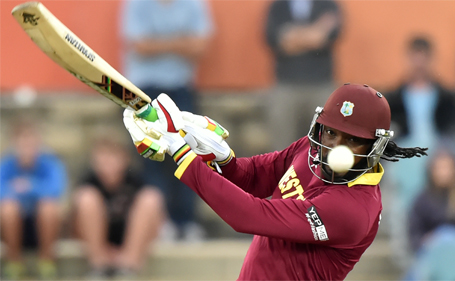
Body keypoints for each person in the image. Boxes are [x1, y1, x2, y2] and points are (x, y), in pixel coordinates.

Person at [122, 84, 428, 280]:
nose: (335, 146)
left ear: (375, 148)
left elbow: (248, 215)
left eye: (352, 140)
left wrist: (181, 152)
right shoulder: (311, 149)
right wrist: (219, 158)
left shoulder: (353, 209)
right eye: (331, 132)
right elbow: (252, 178)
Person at [120, 0, 213, 240]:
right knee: (151, 156)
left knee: (189, 154)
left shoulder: (194, 4)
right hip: (143, 91)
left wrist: (157, 43)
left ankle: (187, 221)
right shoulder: (137, 4)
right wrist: (180, 42)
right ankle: (161, 223)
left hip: (181, 89)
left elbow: (200, 47)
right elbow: (139, 46)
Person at [383, 36, 455, 269]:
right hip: (406, 161)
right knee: (398, 199)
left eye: (424, 58)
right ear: (409, 59)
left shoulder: (447, 99)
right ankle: (408, 256)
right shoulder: (392, 99)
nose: (419, 63)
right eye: (415, 57)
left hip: (440, 158)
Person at [72, 133, 165, 278]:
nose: (106, 162)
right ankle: (99, 265)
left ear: (124, 159)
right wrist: (104, 251)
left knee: (151, 198)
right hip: (100, 243)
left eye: (112, 157)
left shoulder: (136, 182)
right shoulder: (88, 183)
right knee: (85, 198)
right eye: (102, 157)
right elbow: (75, 226)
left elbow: (156, 221)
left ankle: (128, 266)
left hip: (130, 241)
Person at [265, 0, 342, 151]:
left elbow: (322, 38)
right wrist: (314, 31)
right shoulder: (277, 7)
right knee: (283, 146)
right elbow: (277, 41)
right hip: (286, 86)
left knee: (326, 144)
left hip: (321, 85)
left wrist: (292, 36)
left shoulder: (328, 5)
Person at [0, 117, 67, 280]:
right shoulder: (5, 165)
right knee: (8, 208)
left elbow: (56, 190)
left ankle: (47, 262)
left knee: (48, 207)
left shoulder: (52, 164)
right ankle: (14, 262)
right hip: (12, 224)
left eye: (31, 142)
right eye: (23, 142)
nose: (27, 148)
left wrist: (29, 186)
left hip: (44, 224)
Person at [408, 148, 455, 253]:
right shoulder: (422, 200)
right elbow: (414, 235)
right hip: (431, 255)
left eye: (447, 168)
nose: (443, 173)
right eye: (440, 168)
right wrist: (428, 241)